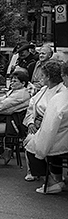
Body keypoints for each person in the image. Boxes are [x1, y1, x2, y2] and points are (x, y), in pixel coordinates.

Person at [24, 60, 68, 194]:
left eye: (42, 75)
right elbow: (32, 107)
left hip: (58, 133)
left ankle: (51, 181)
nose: (40, 78)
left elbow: (50, 126)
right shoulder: (43, 90)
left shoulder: (61, 94)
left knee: (31, 146)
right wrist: (31, 122)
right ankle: (56, 178)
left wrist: (41, 147)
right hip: (44, 127)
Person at [0, 68, 31, 135]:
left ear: (23, 83)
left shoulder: (21, 94)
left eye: (15, 81)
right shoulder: (14, 91)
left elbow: (0, 107)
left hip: (14, 123)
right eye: (11, 81)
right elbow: (0, 100)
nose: (11, 83)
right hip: (7, 119)